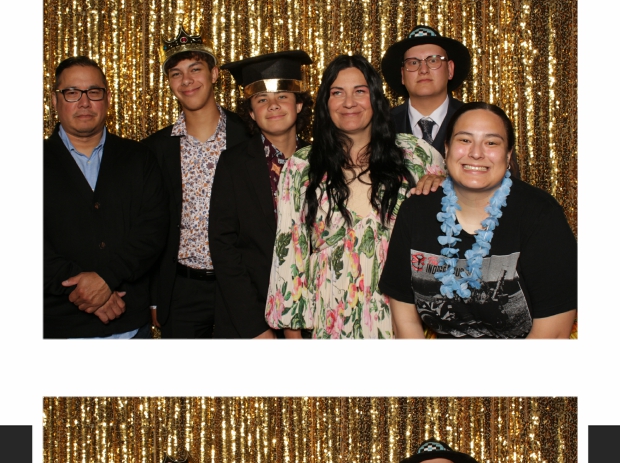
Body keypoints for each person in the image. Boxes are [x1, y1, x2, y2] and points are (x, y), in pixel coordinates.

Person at [265, 53, 442, 340]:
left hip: (404, 325)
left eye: (360, 91)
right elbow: (289, 260)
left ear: (375, 98)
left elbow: (458, 220)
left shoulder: (417, 155)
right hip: (330, 326)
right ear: (326, 103)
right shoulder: (301, 167)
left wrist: (445, 183)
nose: (349, 102)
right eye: (337, 93)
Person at [380, 101, 577, 339]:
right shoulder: (416, 211)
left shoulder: (541, 216)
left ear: (508, 155)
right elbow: (405, 320)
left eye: (491, 142)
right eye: (464, 140)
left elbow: (553, 334)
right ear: (446, 148)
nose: (476, 153)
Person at [44, 56, 169, 339]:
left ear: (108, 98)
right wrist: (88, 290)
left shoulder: (140, 158)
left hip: (130, 328)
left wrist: (107, 279)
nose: (84, 102)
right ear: (54, 100)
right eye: (72, 92)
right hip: (55, 329)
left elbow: (153, 231)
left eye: (94, 92)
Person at [146, 27, 247, 338]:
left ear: (214, 74)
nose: (186, 80)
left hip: (240, 285)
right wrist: (154, 296)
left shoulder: (248, 136)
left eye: (195, 69)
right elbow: (150, 227)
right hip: (181, 290)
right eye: (176, 74)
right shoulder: (154, 150)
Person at [209, 51, 314, 338]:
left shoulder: (322, 161)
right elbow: (223, 248)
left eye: (282, 96)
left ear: (299, 104)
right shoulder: (232, 164)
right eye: (261, 99)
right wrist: (256, 328)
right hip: (251, 319)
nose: (273, 105)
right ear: (252, 113)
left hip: (314, 317)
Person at [381, 22, 470, 158]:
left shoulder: (472, 120)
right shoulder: (383, 126)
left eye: (433, 60)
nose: (423, 70)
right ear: (403, 75)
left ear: (450, 69)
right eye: (413, 62)